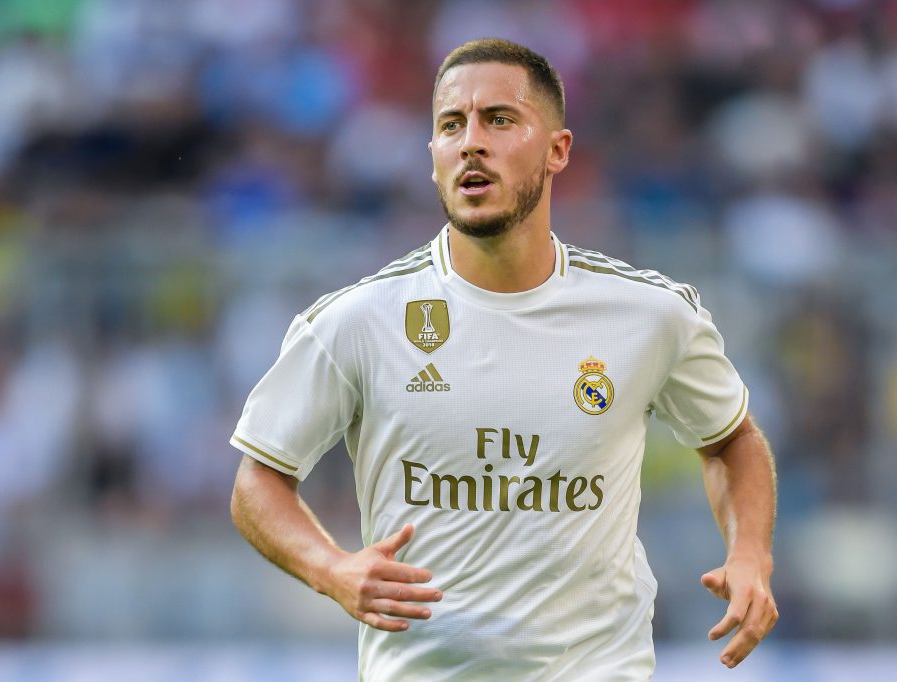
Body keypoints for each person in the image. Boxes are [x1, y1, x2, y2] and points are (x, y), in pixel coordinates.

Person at [229, 38, 778, 680]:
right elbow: (257, 479)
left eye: (499, 119)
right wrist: (331, 569)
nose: (471, 143)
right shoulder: (358, 320)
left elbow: (730, 439)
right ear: (433, 158)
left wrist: (750, 553)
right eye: (451, 125)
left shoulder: (650, 315)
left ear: (557, 151)